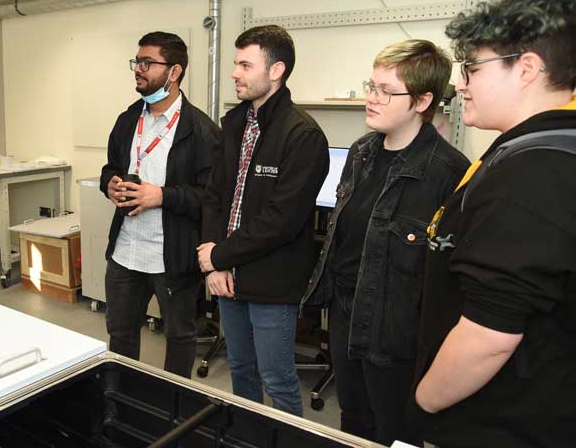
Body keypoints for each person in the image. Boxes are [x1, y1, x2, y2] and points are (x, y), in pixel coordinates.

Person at [412, 0, 576, 447]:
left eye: (473, 67)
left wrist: (423, 405)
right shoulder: (534, 154)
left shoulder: (534, 173)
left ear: (527, 69)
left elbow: (489, 338)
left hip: (502, 421)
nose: (460, 84)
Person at [301, 39, 468, 445]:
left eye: (385, 91)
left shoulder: (448, 173)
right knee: (354, 420)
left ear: (422, 99)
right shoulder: (362, 152)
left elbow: (445, 280)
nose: (371, 99)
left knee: (395, 432)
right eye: (370, 86)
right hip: (345, 313)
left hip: (396, 332)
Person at [199, 25, 328, 416]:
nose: (235, 73)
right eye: (235, 64)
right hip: (227, 273)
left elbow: (281, 221)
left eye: (244, 64)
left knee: (277, 378)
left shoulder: (303, 135)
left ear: (276, 71)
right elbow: (214, 196)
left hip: (272, 280)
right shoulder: (235, 123)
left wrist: (219, 255)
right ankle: (247, 437)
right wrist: (213, 260)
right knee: (241, 368)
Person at [99, 31, 219, 379]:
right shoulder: (128, 119)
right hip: (125, 252)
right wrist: (111, 183)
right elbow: (111, 166)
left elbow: (210, 198)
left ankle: (174, 406)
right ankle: (120, 398)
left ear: (174, 71)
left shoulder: (202, 131)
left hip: (172, 257)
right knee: (120, 333)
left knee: (179, 337)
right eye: (137, 61)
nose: (139, 68)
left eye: (147, 62)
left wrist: (161, 196)